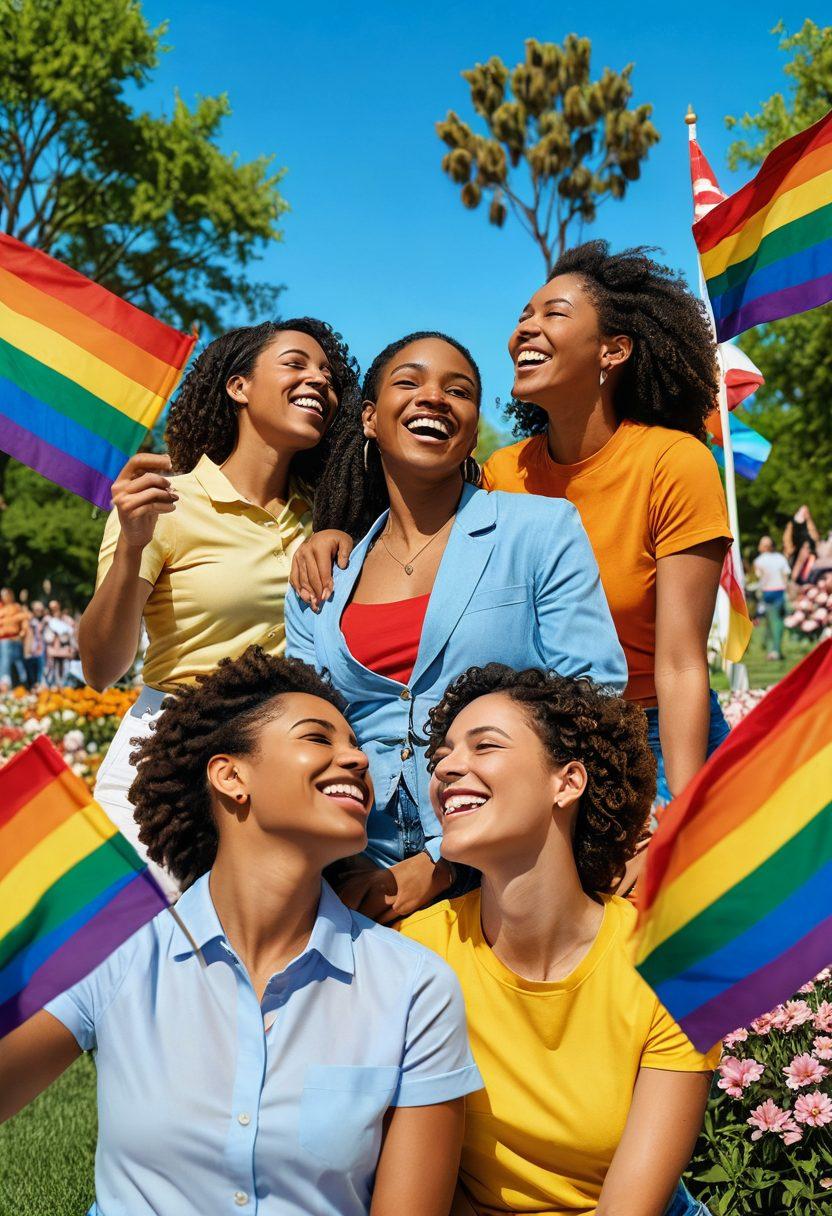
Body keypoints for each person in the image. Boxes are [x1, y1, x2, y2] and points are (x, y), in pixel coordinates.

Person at [0, 648, 483, 1216]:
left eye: (354, 744)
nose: (356, 759)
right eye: (319, 739)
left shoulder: (415, 986)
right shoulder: (124, 950)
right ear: (231, 776)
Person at [286, 332, 626, 923]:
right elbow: (304, 727)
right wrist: (341, 865)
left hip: (504, 859)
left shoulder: (539, 531)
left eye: (459, 391)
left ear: (471, 426)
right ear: (369, 418)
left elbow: (591, 696)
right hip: (351, 871)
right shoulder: (321, 578)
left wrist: (443, 863)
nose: (435, 398)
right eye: (410, 382)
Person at [401, 664, 719, 1216]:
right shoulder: (415, 956)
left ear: (567, 783)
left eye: (485, 747)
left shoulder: (669, 968)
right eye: (443, 756)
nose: (449, 768)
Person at [78, 318, 359, 896]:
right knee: (120, 962)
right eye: (296, 364)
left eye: (328, 377)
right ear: (238, 387)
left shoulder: (330, 517)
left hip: (281, 772)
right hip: (163, 767)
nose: (318, 382)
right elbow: (100, 669)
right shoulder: (165, 504)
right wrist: (132, 543)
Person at [482, 241, 733, 805]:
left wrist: (682, 809)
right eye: (524, 317)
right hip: (542, 739)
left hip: (658, 735)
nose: (525, 330)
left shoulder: (674, 462)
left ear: (613, 351)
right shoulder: (501, 474)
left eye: (554, 314)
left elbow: (681, 663)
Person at [752, 536, 791, 661]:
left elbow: (758, 577)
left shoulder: (758, 560)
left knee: (769, 623)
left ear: (763, 547)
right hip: (779, 591)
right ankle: (776, 649)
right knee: (778, 622)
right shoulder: (781, 558)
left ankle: (773, 650)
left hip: (767, 592)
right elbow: (785, 576)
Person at [43, 599, 77, 687]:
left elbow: (72, 635)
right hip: (53, 655)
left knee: (66, 678)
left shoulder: (68, 620)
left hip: (66, 652)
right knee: (52, 679)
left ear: (59, 607)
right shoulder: (47, 620)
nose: (54, 609)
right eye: (51, 608)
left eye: (55, 607)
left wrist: (73, 649)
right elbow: (47, 638)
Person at [0, 587, 27, 688]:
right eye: (2, 595)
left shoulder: (16, 607)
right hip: (3, 640)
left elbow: (24, 622)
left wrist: (22, 634)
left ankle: (21, 682)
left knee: (16, 662)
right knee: (4, 661)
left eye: (5, 595)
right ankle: (5, 683)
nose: (3, 597)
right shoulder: (1, 608)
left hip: (14, 639)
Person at [23, 599, 47, 687]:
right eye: (37, 609)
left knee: (41, 679)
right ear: (33, 610)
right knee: (33, 680)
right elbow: (28, 637)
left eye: (41, 609)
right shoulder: (30, 622)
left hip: (43, 653)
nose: (39, 611)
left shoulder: (45, 620)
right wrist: (26, 653)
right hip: (33, 653)